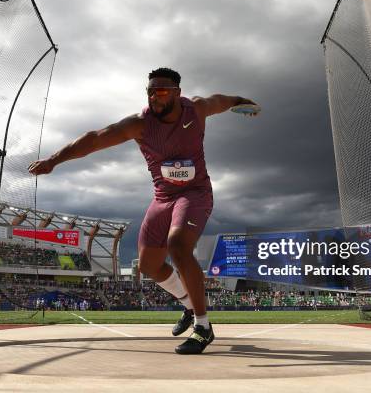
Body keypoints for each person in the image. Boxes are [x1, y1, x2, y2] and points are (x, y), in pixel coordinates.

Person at [29, 67, 258, 354]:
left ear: (177, 93)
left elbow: (222, 100)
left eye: (161, 91)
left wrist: (243, 101)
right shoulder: (141, 124)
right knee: (148, 266)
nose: (154, 97)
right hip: (162, 198)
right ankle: (189, 305)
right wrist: (54, 159)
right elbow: (95, 137)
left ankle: (203, 326)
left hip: (195, 194)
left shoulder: (196, 109)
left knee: (177, 245)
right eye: (149, 91)